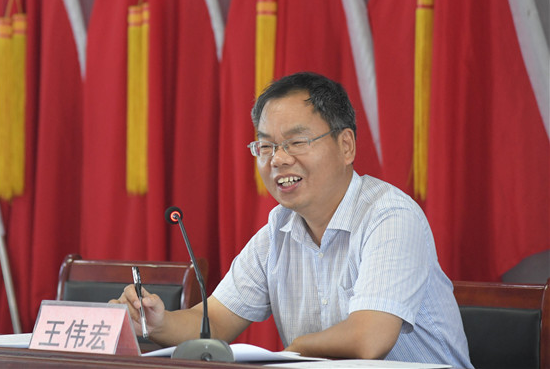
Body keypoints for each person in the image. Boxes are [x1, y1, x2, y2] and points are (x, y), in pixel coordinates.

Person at [113, 71, 472, 367]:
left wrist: (295, 350)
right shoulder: (278, 229)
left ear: (346, 146)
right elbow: (215, 322)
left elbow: (369, 338)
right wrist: (157, 322)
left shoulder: (390, 217)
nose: (278, 159)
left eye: (296, 142)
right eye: (266, 146)